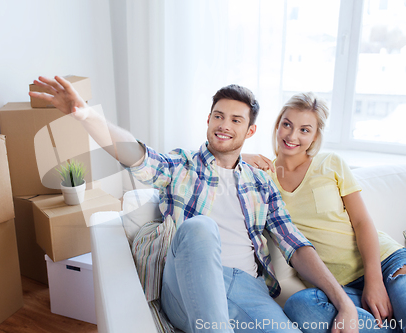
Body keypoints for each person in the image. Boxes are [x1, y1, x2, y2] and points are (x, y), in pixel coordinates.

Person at [29, 77, 358, 333]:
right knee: (201, 227)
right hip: (185, 283)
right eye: (218, 116)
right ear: (208, 120)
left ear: (250, 130)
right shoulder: (181, 165)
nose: (224, 125)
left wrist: (344, 303)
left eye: (235, 120)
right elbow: (136, 155)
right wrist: (85, 114)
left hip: (246, 288)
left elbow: (296, 245)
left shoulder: (261, 183)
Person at [243, 92, 406, 333]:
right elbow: (207, 159)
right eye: (286, 124)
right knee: (300, 306)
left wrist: (375, 281)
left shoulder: (330, 163)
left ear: (316, 135)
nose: (292, 135)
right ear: (277, 125)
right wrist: (239, 155)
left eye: (304, 130)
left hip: (384, 264)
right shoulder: (263, 177)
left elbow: (362, 222)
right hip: (337, 289)